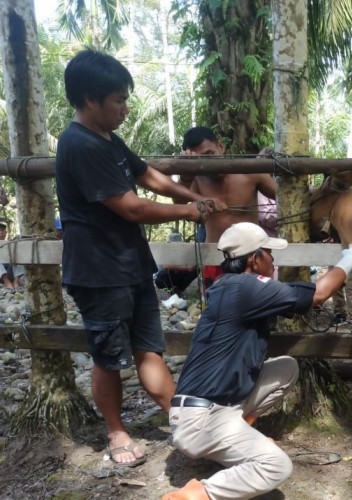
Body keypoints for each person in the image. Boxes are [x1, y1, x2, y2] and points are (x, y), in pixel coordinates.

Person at [55, 49, 226, 467]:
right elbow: (131, 207)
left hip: (129, 264)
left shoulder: (108, 139)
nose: (125, 109)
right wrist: (188, 211)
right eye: (118, 100)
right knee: (109, 358)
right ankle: (116, 432)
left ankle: (182, 421)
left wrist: (195, 196)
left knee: (150, 349)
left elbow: (149, 175)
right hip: (99, 271)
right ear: (90, 100)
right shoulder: (79, 144)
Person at [162, 223, 352, 500]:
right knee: (277, 466)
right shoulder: (249, 287)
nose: (274, 259)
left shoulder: (229, 285)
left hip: (206, 410)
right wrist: (351, 259)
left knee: (285, 368)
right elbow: (318, 294)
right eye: (269, 253)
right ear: (254, 259)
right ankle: (197, 495)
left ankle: (238, 439)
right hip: (202, 421)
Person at [176, 127, 277, 291]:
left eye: (209, 155)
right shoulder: (195, 179)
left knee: (259, 311)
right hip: (215, 259)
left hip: (252, 259)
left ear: (221, 147)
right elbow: (179, 204)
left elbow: (284, 197)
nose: (207, 164)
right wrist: (186, 175)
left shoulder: (250, 172)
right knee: (218, 311)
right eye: (200, 160)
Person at [154, 232, 198, 296]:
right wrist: (186, 268)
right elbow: (167, 266)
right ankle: (171, 290)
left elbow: (188, 264)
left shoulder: (182, 252)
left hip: (175, 275)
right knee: (167, 271)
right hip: (162, 278)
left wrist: (190, 267)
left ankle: (178, 289)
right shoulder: (166, 251)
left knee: (195, 270)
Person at [0, 221, 24, 291]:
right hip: (1, 275)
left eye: (2, 230)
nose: (1, 232)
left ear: (6, 233)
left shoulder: (10, 244)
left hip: (10, 272)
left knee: (19, 256)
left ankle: (16, 282)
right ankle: (7, 282)